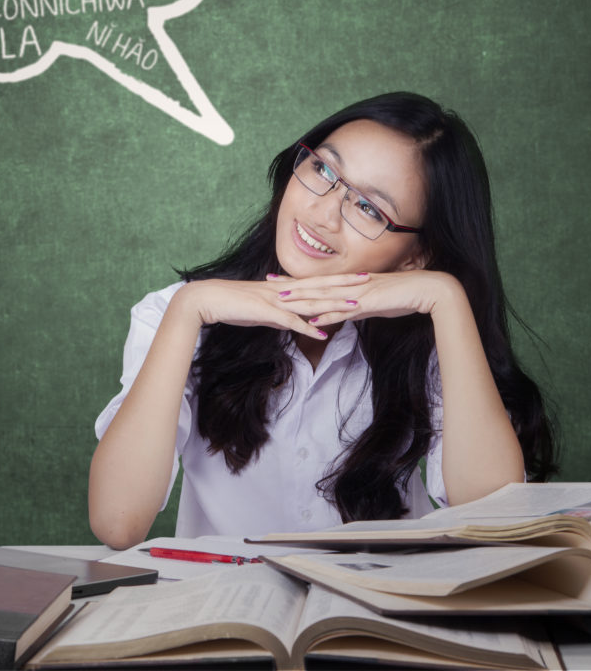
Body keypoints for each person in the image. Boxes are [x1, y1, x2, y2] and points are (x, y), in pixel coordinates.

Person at [89, 92, 557, 549]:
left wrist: (447, 298)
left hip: (381, 613)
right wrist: (188, 310)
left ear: (418, 254)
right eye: (324, 170)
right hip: (230, 613)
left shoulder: (428, 338)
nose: (322, 214)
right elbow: (117, 522)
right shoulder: (176, 313)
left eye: (369, 208)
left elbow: (495, 522)